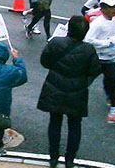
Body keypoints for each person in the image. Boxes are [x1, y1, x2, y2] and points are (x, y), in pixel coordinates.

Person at [37, 16, 101, 168]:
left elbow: (44, 62)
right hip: (77, 91)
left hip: (55, 87)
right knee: (75, 126)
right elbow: (96, 69)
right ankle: (70, 160)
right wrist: (84, 82)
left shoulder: (55, 43)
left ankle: (53, 158)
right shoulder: (88, 49)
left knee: (55, 122)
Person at [84, 0, 115, 124]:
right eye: (111, 8)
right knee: (84, 82)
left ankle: (113, 112)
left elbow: (111, 36)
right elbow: (88, 40)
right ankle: (70, 100)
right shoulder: (98, 23)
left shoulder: (113, 19)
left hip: (109, 59)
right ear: (103, 9)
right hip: (98, 59)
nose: (114, 10)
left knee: (113, 84)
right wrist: (107, 43)